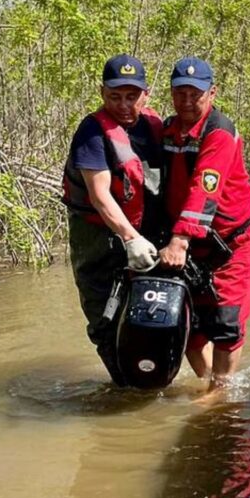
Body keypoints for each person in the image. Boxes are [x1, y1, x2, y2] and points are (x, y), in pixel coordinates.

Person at [158, 57, 250, 391]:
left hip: (231, 242)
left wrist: (179, 240)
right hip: (190, 241)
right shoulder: (168, 129)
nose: (188, 101)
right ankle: (208, 383)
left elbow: (206, 186)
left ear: (212, 93)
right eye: (180, 93)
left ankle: (220, 391)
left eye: (195, 94)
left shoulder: (220, 131)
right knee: (187, 324)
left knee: (226, 322)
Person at [63, 54, 166, 384]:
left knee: (154, 314)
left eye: (131, 96)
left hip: (148, 237)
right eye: (115, 96)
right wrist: (130, 238)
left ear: (146, 95)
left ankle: (153, 383)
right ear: (102, 93)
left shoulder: (154, 127)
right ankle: (123, 388)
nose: (123, 105)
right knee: (106, 321)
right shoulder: (92, 133)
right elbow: (99, 194)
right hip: (99, 242)